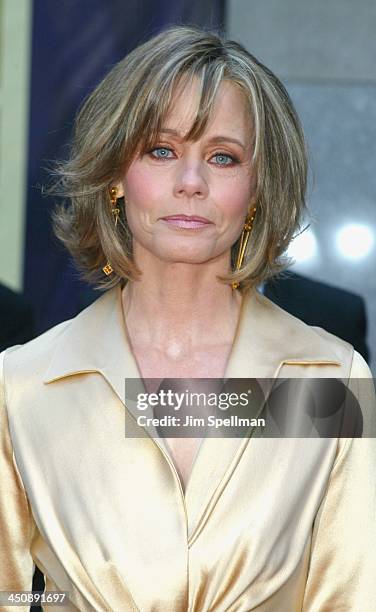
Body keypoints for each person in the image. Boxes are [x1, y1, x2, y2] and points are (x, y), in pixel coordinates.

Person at [1, 25, 375, 612]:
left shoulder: (327, 379)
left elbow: (354, 598)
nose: (191, 183)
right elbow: (12, 596)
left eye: (223, 157)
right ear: (116, 177)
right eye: (161, 150)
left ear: (256, 189)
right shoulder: (21, 387)